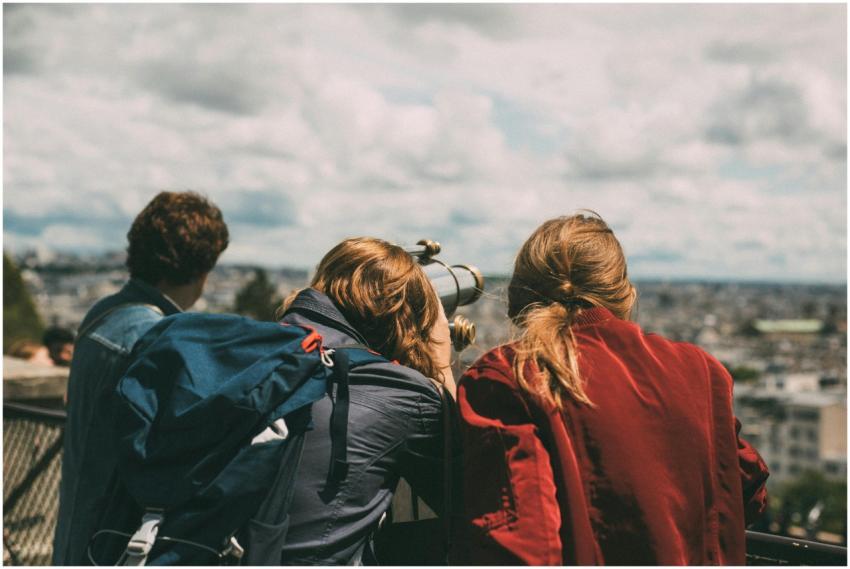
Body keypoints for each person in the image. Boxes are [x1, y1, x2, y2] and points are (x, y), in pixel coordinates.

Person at [454, 213, 769, 565]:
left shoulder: (508, 377)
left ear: (519, 296)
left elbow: (519, 544)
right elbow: (747, 493)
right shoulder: (698, 370)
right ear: (624, 294)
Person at [52, 191, 229, 565]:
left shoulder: (103, 314)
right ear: (202, 269)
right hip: (113, 544)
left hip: (76, 529)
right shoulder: (157, 341)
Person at [274, 237, 457, 564]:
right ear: (404, 317)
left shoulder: (263, 350)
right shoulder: (404, 393)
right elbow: (462, 492)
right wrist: (441, 363)